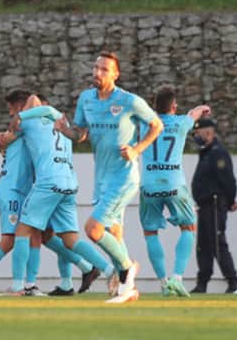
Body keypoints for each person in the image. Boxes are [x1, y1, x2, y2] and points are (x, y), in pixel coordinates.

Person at [0, 91, 100, 297]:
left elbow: (31, 105)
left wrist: (3, 136)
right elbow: (6, 137)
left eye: (12, 109)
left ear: (21, 107)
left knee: (41, 236)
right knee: (14, 239)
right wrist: (2, 137)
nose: (10, 114)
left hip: (29, 189)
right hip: (12, 190)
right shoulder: (24, 128)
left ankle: (31, 285)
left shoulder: (30, 126)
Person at [55, 51, 163, 303]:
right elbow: (81, 134)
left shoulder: (129, 100)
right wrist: (64, 130)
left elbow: (157, 125)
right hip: (101, 179)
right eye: (96, 68)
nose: (98, 72)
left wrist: (136, 149)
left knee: (93, 229)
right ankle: (128, 289)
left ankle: (126, 269)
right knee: (114, 234)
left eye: (104, 69)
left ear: (116, 74)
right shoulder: (86, 99)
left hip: (124, 178)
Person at [8, 93, 116, 296]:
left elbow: (31, 103)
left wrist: (20, 118)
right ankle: (111, 271)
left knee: (23, 231)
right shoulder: (61, 122)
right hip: (69, 183)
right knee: (70, 239)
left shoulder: (31, 122)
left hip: (48, 182)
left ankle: (18, 285)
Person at [139, 87, 210, 297]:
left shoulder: (145, 125)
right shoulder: (180, 123)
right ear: (174, 107)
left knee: (150, 232)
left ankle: (163, 283)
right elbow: (193, 114)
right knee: (188, 227)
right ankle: (177, 278)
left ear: (154, 107)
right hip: (174, 184)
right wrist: (202, 108)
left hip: (149, 185)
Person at [190, 118, 237, 294]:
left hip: (214, 204)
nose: (195, 137)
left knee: (217, 243)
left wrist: (231, 200)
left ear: (208, 133)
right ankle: (202, 283)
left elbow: (228, 180)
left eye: (197, 133)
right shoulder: (206, 152)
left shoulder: (218, 153)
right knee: (204, 246)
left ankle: (233, 282)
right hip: (205, 205)